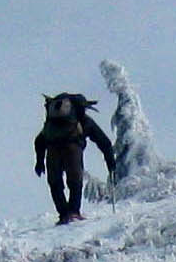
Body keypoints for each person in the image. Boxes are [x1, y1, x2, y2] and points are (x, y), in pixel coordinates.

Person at [34, 92, 116, 225]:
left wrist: (39, 162)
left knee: (55, 183)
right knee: (75, 181)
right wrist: (110, 162)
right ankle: (73, 212)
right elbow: (103, 141)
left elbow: (39, 141)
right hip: (72, 149)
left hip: (52, 150)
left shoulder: (51, 123)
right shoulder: (83, 121)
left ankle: (63, 214)